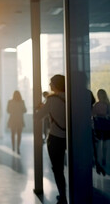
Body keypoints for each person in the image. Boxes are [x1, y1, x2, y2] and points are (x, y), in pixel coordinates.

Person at [35, 74, 67, 204]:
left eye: (51, 83)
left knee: (57, 168)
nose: (49, 85)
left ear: (55, 85)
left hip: (55, 137)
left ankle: (63, 196)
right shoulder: (71, 96)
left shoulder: (51, 99)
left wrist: (40, 108)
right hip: (70, 137)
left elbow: (39, 116)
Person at [92, 89, 110, 168]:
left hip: (99, 124)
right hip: (106, 125)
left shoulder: (96, 105)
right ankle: (104, 158)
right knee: (105, 143)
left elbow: (93, 114)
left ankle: (97, 158)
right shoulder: (107, 104)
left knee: (98, 143)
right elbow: (109, 115)